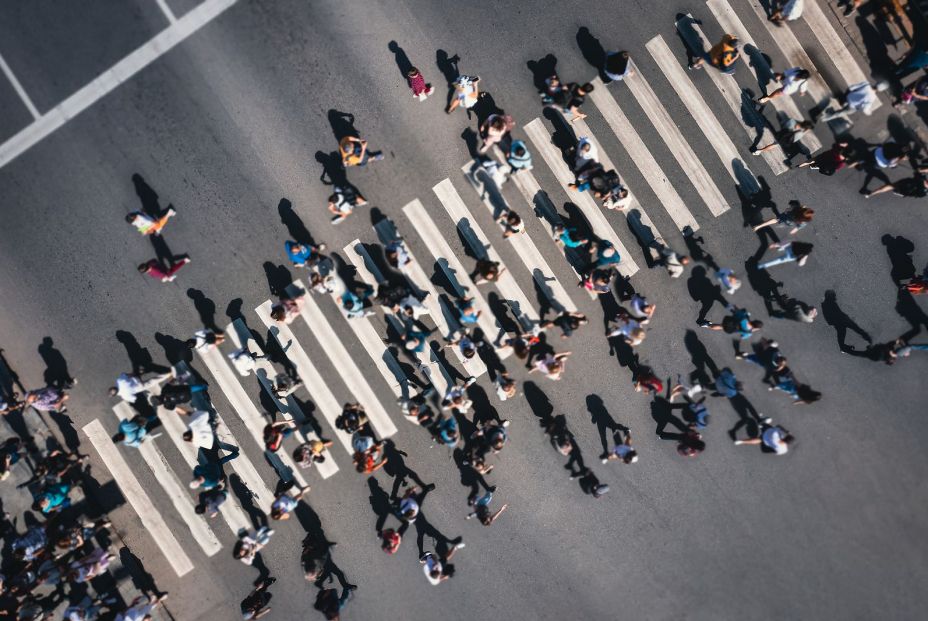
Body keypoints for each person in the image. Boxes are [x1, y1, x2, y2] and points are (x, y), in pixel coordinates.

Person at [864, 167, 928, 199]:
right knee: (891, 186)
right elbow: (917, 172)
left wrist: (921, 173)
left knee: (892, 186)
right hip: (906, 187)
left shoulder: (923, 187)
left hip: (907, 188)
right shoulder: (923, 184)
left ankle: (871, 194)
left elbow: (919, 192)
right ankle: (871, 194)